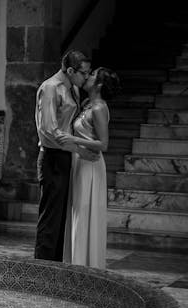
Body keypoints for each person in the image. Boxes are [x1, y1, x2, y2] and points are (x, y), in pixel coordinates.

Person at [34, 50, 99, 262]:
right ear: (70, 70)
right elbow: (49, 132)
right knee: (50, 217)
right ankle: (42, 269)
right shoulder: (51, 88)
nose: (86, 77)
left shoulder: (74, 89)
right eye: (84, 73)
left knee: (62, 218)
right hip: (52, 157)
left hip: (65, 157)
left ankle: (56, 268)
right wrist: (79, 149)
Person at [58, 67, 121, 269]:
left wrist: (72, 138)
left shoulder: (99, 108)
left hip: (91, 165)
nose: (87, 76)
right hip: (79, 162)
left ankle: (87, 266)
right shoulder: (86, 104)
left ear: (99, 85)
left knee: (85, 211)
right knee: (77, 210)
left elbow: (104, 145)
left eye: (92, 75)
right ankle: (75, 263)